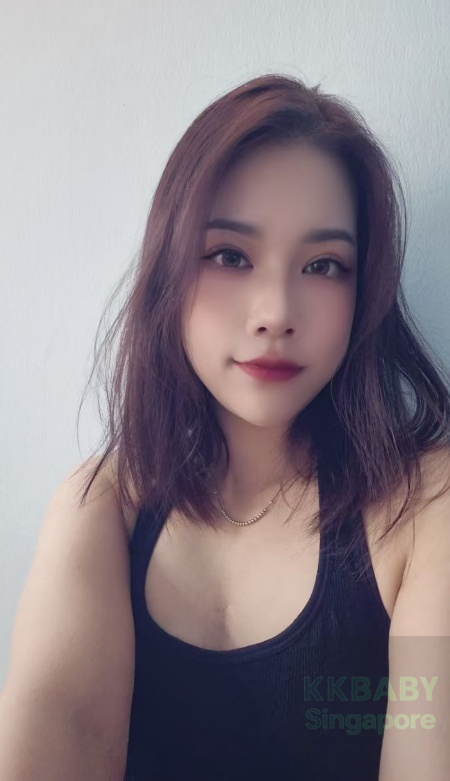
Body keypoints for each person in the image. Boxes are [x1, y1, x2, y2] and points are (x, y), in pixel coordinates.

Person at [2, 74, 450, 781]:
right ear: (169, 271)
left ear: (364, 291)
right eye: (230, 256)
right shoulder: (104, 506)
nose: (276, 312)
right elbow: (63, 732)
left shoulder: (424, 506)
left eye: (324, 265)